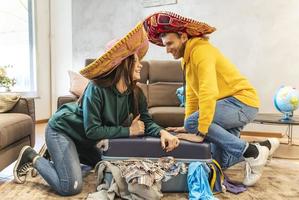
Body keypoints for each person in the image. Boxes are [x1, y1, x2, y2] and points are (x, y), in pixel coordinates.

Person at [13, 22, 179, 196]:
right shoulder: (97, 88)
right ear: (123, 64)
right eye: (136, 61)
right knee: (70, 186)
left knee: (108, 165)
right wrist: (129, 131)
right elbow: (93, 131)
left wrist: (162, 132)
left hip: (83, 138)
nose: (140, 65)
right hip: (62, 130)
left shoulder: (135, 93)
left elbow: (145, 120)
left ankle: (55, 154)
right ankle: (32, 157)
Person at [143, 11, 279, 186]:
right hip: (228, 106)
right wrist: (188, 126)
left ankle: (253, 153)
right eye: (164, 45)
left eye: (170, 43)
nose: (167, 49)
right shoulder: (186, 59)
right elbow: (191, 96)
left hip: (241, 102)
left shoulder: (201, 51)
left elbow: (208, 92)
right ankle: (264, 146)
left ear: (183, 37)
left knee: (194, 124)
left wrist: (198, 130)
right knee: (216, 161)